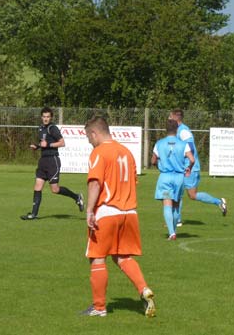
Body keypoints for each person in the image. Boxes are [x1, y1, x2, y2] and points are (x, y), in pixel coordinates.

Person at [81, 116, 155, 317]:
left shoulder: (99, 152)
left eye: (89, 137)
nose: (89, 141)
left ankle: (99, 308)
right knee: (122, 256)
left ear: (95, 133)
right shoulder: (127, 153)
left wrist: (89, 211)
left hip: (107, 211)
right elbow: (133, 183)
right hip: (129, 212)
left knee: (97, 258)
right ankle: (143, 289)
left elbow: (95, 183)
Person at [20, 107, 83, 220]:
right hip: (43, 161)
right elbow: (43, 143)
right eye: (44, 117)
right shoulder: (40, 128)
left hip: (52, 161)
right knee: (37, 186)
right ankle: (33, 214)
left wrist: (48, 145)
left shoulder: (52, 128)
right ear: (41, 117)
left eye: (48, 117)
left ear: (51, 117)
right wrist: (37, 146)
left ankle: (77, 197)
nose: (46, 119)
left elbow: (62, 143)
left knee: (55, 189)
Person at [169, 109, 227, 226]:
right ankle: (177, 220)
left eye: (170, 116)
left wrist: (188, 165)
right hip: (182, 167)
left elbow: (190, 147)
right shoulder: (177, 130)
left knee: (192, 195)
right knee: (177, 192)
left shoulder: (184, 131)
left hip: (189, 167)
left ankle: (219, 202)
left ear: (176, 117)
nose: (169, 118)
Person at [152, 119, 195, 240]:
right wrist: (188, 168)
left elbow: (153, 160)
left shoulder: (159, 143)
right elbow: (192, 159)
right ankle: (174, 230)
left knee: (167, 203)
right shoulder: (183, 144)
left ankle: (171, 233)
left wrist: (158, 166)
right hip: (179, 178)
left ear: (166, 129)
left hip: (165, 177)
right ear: (177, 129)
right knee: (176, 205)